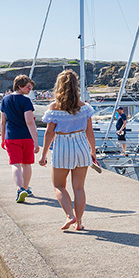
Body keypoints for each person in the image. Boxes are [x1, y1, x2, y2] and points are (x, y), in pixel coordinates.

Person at [39, 70, 97, 230]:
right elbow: (89, 132)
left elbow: (49, 133)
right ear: (76, 86)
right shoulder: (84, 107)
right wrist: (93, 151)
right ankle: (79, 223)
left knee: (59, 185)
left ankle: (70, 216)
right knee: (79, 187)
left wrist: (43, 155)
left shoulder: (54, 107)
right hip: (81, 146)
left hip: (62, 146)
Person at [0, 75, 40, 203]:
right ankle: (25, 188)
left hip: (11, 137)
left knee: (15, 164)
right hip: (26, 137)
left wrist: (2, 139)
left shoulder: (5, 100)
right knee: (26, 164)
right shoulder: (26, 101)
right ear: (20, 86)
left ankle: (19, 188)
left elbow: (2, 122)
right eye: (28, 87)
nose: (30, 90)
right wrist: (36, 141)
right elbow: (29, 121)